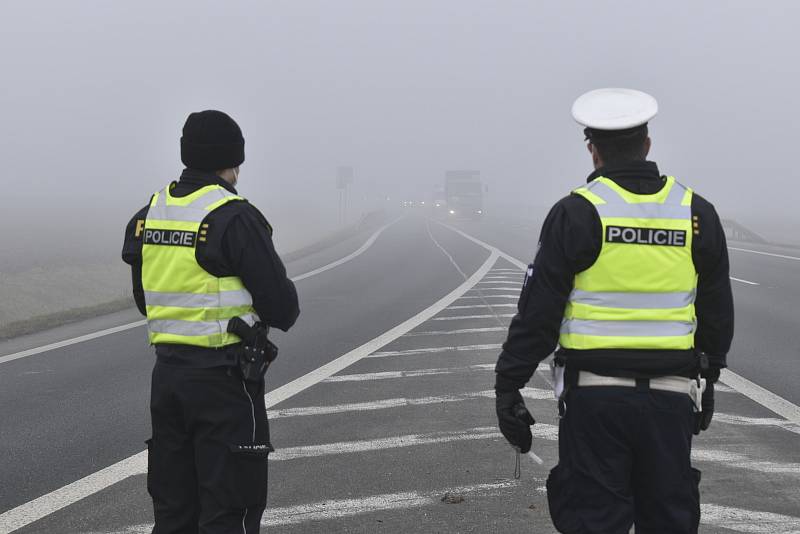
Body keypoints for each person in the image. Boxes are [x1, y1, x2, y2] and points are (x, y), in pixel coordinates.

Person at [494, 88, 734, 533]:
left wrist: (508, 385)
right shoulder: (696, 213)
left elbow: (539, 314)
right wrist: (711, 375)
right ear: (647, 144)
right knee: (669, 521)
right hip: (671, 401)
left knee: (594, 521)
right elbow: (717, 310)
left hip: (594, 403)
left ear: (593, 151)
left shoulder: (577, 213)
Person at [122, 110, 300, 533]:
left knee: (174, 511)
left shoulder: (151, 213)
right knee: (229, 508)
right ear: (232, 161)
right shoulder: (233, 216)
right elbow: (282, 307)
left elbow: (145, 300)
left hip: (167, 379)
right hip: (225, 382)